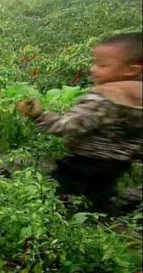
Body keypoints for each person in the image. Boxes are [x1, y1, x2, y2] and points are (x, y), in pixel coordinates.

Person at [16, 32, 142, 213]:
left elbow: (68, 127)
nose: (93, 69)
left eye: (102, 65)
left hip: (84, 163)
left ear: (131, 69)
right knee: (98, 196)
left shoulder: (102, 98)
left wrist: (38, 115)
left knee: (49, 193)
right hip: (118, 165)